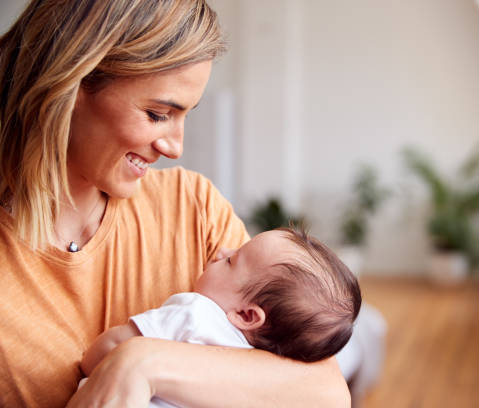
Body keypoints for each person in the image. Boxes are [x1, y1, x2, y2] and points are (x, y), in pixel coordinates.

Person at [0, 1, 350, 407]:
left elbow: (324, 393)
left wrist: (140, 363)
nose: (175, 147)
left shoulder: (192, 207)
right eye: (156, 114)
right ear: (69, 83)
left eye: (184, 116)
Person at [80, 227, 362, 407]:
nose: (221, 250)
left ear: (247, 314)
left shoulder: (195, 314)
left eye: (231, 260)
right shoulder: (264, 367)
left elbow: (102, 354)